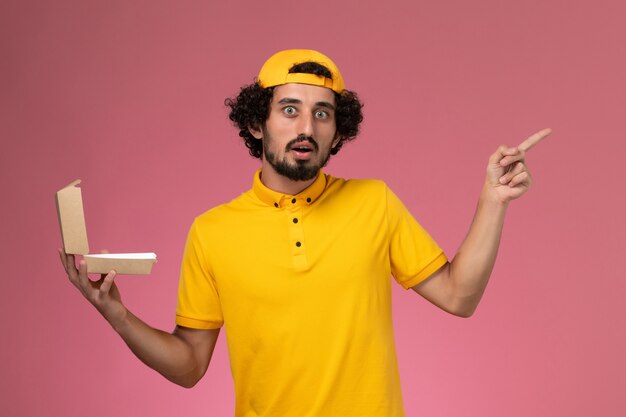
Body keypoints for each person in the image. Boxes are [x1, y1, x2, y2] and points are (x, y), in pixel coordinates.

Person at [59, 49, 551, 417]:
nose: (307, 127)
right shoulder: (212, 231)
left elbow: (458, 296)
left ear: (337, 133)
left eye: (322, 113)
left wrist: (492, 201)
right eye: (289, 109)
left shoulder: (373, 201)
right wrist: (118, 316)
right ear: (257, 122)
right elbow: (189, 365)